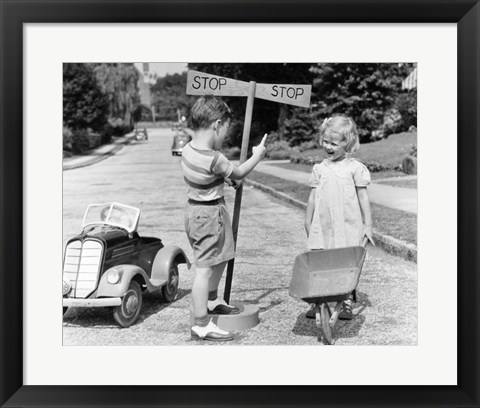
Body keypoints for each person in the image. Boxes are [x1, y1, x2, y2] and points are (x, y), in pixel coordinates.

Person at [181, 95, 267, 341]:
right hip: (208, 215)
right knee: (205, 269)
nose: (224, 137)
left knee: (220, 258)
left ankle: (210, 300)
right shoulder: (214, 158)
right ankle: (201, 324)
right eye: (225, 131)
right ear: (217, 125)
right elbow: (238, 173)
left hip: (196, 210)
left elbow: (209, 176)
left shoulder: (188, 149)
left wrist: (224, 178)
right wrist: (257, 156)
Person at [305, 115, 375, 320]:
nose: (328, 146)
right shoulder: (319, 169)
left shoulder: (354, 168)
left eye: (333, 143)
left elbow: (363, 197)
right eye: (325, 141)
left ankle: (344, 302)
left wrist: (368, 225)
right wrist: (307, 220)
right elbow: (312, 199)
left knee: (345, 264)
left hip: (347, 225)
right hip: (323, 225)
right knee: (321, 263)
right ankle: (318, 302)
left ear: (347, 143)